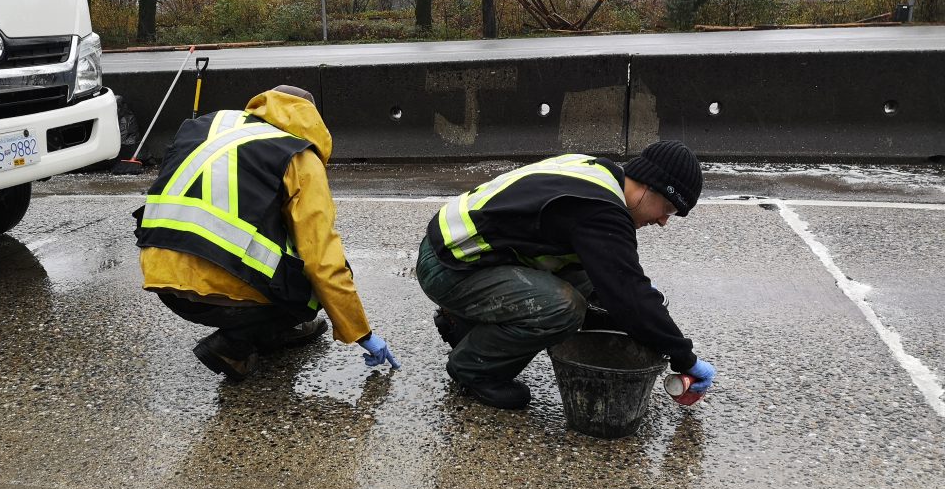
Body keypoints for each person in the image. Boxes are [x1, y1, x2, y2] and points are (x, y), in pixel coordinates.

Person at [415, 141, 715, 409]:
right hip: (449, 268)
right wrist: (684, 357)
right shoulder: (601, 211)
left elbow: (617, 280)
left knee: (595, 292)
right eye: (669, 208)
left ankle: (464, 326)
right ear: (652, 185)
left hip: (463, 251)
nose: (663, 221)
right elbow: (629, 295)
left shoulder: (597, 172)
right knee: (565, 307)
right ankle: (473, 369)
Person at [134, 85, 399, 381]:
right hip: (212, 290)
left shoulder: (211, 126)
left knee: (276, 243)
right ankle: (234, 345)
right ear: (311, 118)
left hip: (158, 276)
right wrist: (361, 332)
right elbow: (323, 260)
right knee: (311, 285)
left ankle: (271, 333)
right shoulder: (298, 154)